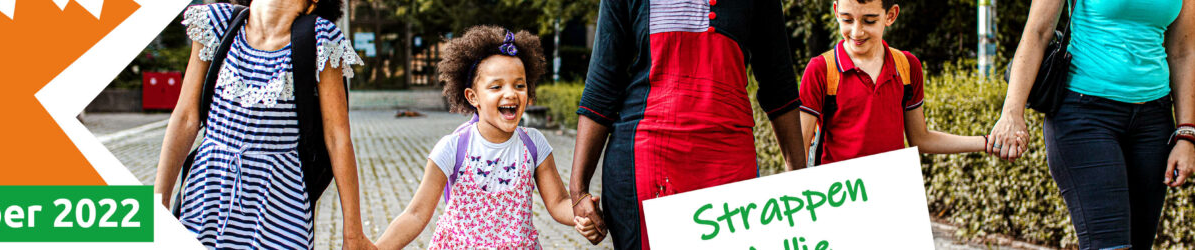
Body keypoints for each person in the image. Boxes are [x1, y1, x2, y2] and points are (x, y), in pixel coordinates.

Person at [569, 0, 809, 249]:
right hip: (644, 167)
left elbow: (779, 87)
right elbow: (602, 86)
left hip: (730, 168)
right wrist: (578, 191)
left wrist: (800, 185)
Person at [152, 0, 373, 249]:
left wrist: (353, 235)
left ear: (313, 3)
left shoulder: (321, 39)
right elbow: (185, 117)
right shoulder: (216, 23)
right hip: (207, 197)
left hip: (279, 206)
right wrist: (158, 205)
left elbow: (337, 138)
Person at [373, 26, 603, 249]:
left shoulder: (533, 144)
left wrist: (582, 214)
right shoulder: (453, 147)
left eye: (519, 85)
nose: (511, 93)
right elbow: (416, 214)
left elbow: (558, 203)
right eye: (496, 86)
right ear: (473, 97)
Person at [994, 0, 1193, 248]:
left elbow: (1184, 51)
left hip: (1153, 122)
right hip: (1084, 116)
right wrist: (1012, 113)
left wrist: (1186, 134)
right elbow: (1037, 33)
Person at [798, 0, 988, 165]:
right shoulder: (821, 70)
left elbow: (920, 139)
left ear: (890, 15)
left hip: (891, 195)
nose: (857, 31)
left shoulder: (907, 66)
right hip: (840, 199)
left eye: (869, 20)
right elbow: (798, 153)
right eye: (847, 19)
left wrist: (986, 142)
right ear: (836, 11)